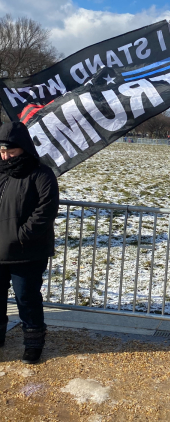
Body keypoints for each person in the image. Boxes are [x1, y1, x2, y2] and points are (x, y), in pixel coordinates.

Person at [0, 122, 59, 364]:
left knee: (27, 298)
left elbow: (45, 210)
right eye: (2, 151)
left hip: (27, 251)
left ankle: (33, 342)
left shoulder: (41, 174)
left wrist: (22, 235)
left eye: (10, 152)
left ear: (23, 148)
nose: (5, 156)